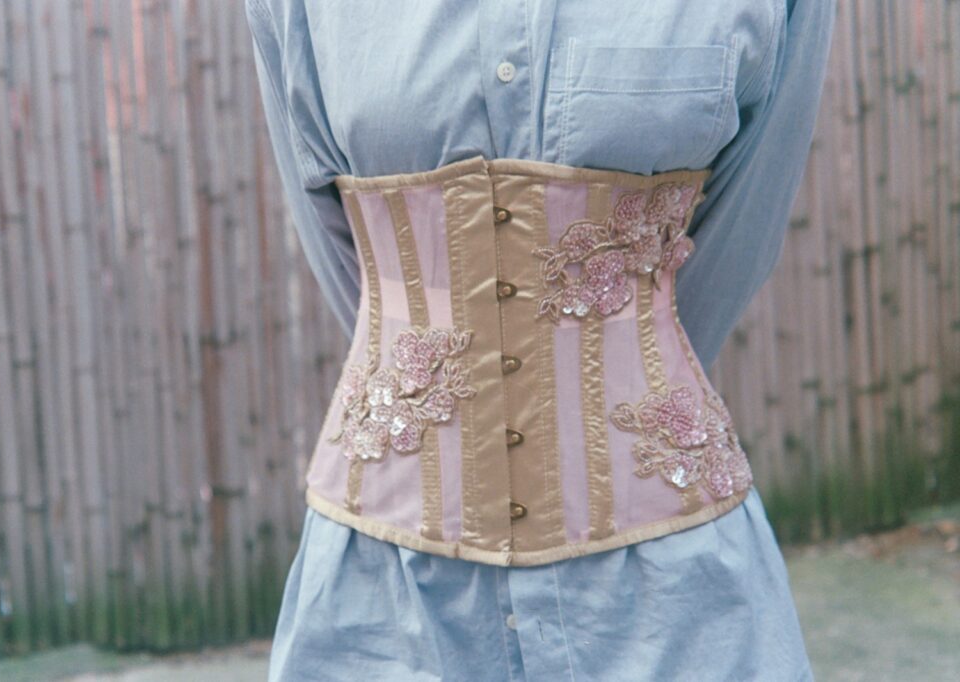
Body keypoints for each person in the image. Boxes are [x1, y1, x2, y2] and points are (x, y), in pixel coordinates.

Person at [245, 1, 836, 679]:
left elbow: (735, 243)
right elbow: (349, 264)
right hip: (386, 601)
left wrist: (612, 412)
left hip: (672, 595)